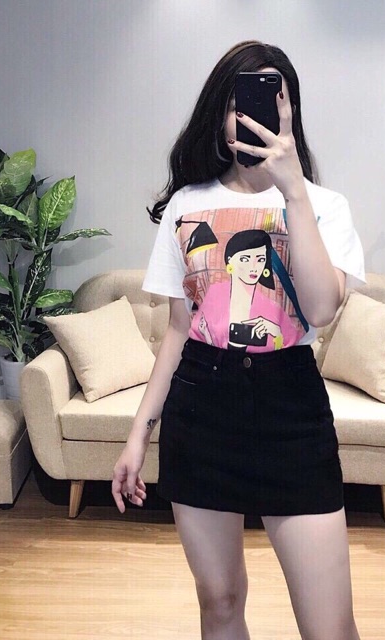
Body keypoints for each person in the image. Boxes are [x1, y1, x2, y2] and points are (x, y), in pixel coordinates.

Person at [112, 40, 365, 640]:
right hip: (201, 408)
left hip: (291, 411)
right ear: (219, 115)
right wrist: (137, 435)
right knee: (220, 602)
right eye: (236, 101)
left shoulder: (323, 206)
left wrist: (293, 190)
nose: (249, 114)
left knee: (330, 628)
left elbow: (321, 310)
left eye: (272, 98)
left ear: (290, 112)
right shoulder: (187, 206)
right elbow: (179, 331)